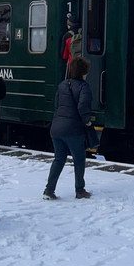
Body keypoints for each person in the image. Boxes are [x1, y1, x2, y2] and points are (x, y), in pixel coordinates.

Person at [43, 57, 94, 200]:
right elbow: (83, 107)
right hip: (73, 130)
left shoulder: (62, 85)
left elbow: (57, 105)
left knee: (59, 159)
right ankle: (80, 190)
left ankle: (49, 189)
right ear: (84, 72)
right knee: (79, 159)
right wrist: (87, 122)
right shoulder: (84, 87)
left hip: (56, 128)